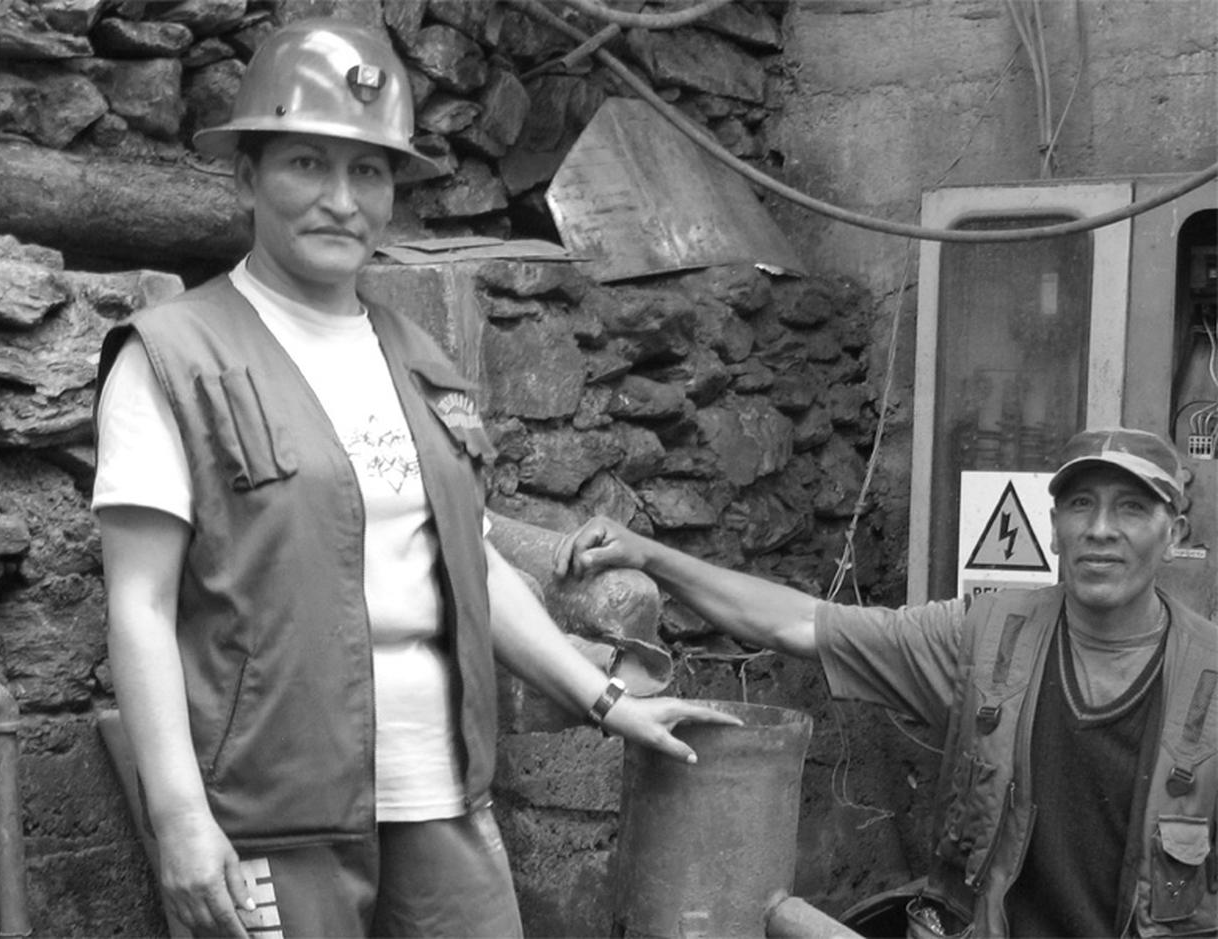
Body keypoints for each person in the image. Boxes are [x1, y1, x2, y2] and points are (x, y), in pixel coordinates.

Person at [92, 19, 740, 938]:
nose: (342, 200)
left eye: (368, 171)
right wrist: (180, 817)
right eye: (307, 165)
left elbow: (468, 564)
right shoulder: (173, 359)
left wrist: (607, 699)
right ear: (246, 176)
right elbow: (141, 606)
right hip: (272, 817)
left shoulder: (418, 359)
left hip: (442, 794)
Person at [556, 426, 1217, 938]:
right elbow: (801, 624)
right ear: (1054, 525)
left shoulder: (1210, 679)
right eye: (1081, 505)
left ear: (1175, 532)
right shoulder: (983, 639)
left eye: (1132, 507)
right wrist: (649, 554)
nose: (1101, 530)